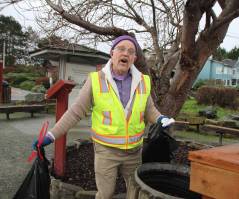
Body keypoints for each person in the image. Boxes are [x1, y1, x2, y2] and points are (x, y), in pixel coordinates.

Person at [33, 35, 175, 199]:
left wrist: (160, 119)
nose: (126, 53)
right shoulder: (96, 80)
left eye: (131, 51)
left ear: (134, 58)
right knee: (105, 194)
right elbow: (75, 112)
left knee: (135, 192)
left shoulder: (143, 81)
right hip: (106, 151)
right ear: (112, 53)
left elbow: (149, 109)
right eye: (121, 49)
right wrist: (51, 135)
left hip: (134, 151)